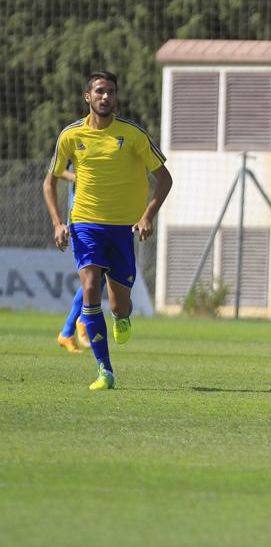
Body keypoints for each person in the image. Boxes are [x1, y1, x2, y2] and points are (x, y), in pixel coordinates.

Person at [41, 71, 172, 391]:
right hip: (85, 224)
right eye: (99, 91)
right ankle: (105, 371)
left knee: (119, 305)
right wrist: (59, 223)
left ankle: (122, 316)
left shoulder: (133, 134)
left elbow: (164, 178)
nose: (105, 97)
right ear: (88, 97)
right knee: (89, 287)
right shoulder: (70, 135)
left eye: (111, 91)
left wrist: (147, 216)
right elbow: (50, 181)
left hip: (122, 230)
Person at [54, 165, 93, 354]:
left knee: (101, 275)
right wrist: (75, 177)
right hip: (81, 219)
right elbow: (56, 170)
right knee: (95, 274)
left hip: (103, 219)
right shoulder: (73, 137)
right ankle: (81, 321)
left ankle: (68, 331)